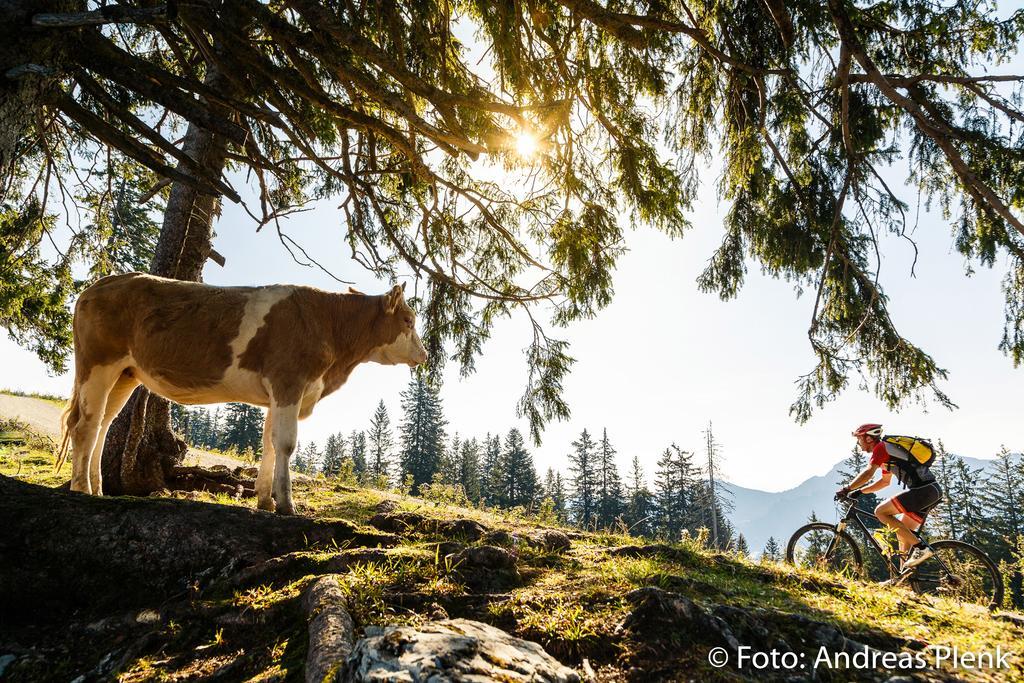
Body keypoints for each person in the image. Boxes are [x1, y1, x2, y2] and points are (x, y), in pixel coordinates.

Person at [836, 423, 943, 571]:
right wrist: (860, 491)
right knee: (903, 536)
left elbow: (868, 473)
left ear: (868, 438)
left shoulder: (881, 448)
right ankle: (903, 579)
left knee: (880, 512)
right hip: (931, 491)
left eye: (859, 439)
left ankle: (921, 548)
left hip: (923, 491)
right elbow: (884, 482)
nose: (858, 443)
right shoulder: (887, 453)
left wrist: (847, 488)